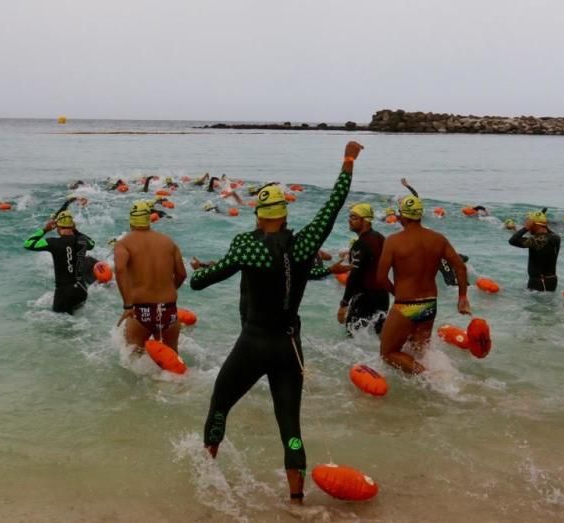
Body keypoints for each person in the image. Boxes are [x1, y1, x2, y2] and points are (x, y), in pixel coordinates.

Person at [189, 141, 362, 504]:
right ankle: (296, 501)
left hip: (253, 343)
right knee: (290, 427)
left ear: (258, 214)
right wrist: (347, 161)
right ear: (284, 214)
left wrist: (200, 273)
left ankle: (207, 475)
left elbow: (203, 282)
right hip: (289, 346)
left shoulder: (246, 246)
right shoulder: (302, 245)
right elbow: (334, 205)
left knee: (220, 405)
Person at [376, 193, 469, 374]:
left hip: (407, 305)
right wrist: (462, 297)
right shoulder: (438, 239)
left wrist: (397, 293)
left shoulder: (393, 241)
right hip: (429, 304)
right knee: (419, 352)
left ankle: (429, 377)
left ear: (402, 216)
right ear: (420, 215)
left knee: (388, 353)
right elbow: (460, 268)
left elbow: (380, 278)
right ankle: (426, 392)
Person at [114, 200, 187, 351]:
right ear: (149, 219)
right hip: (169, 310)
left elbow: (120, 270)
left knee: (133, 360)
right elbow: (181, 274)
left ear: (131, 220)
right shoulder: (169, 242)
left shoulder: (124, 244)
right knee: (172, 363)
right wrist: (167, 290)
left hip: (142, 311)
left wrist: (128, 305)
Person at [22, 210, 96, 313]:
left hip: (64, 293)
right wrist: (76, 231)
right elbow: (92, 243)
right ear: (72, 226)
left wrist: (45, 230)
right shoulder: (82, 240)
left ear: (58, 228)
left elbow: (28, 243)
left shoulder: (53, 242)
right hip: (81, 290)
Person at [336, 203, 390, 334]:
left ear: (365, 220)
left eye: (354, 217)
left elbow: (355, 275)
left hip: (365, 298)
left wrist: (344, 303)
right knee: (377, 337)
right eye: (350, 217)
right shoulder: (380, 238)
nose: (349, 220)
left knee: (352, 336)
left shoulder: (360, 244)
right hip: (383, 297)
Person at [508, 210, 561, 291]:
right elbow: (546, 233)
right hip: (551, 280)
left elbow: (512, 241)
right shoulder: (556, 237)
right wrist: (542, 223)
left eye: (529, 223)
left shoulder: (536, 240)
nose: (528, 226)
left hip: (539, 282)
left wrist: (525, 228)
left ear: (535, 225)